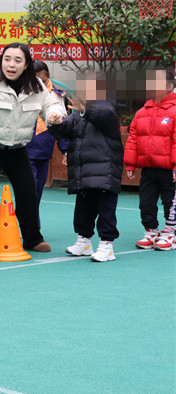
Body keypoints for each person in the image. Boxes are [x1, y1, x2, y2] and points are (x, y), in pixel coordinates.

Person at [0, 42, 64, 262]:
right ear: (1, 62)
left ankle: (32, 238)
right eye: (7, 59)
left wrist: (54, 115)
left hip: (17, 148)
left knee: (28, 192)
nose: (11, 65)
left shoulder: (36, 86)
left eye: (17, 60)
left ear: (26, 65)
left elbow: (52, 104)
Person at [48, 71, 124, 262]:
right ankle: (84, 241)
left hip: (105, 171)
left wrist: (85, 109)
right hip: (84, 171)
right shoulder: (79, 113)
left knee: (106, 209)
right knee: (83, 208)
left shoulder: (108, 107)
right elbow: (66, 129)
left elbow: (103, 116)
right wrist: (56, 123)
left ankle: (107, 245)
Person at [124, 69, 176, 250]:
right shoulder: (142, 112)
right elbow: (133, 138)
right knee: (146, 202)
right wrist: (130, 163)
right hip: (148, 168)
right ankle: (151, 231)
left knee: (171, 202)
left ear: (169, 86)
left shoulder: (174, 110)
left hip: (169, 170)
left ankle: (171, 233)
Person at [27, 60, 69, 204]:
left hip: (44, 148)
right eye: (35, 79)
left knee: (38, 188)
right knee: (29, 187)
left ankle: (33, 216)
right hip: (25, 146)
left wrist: (64, 149)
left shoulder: (56, 95)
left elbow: (62, 124)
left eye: (43, 80)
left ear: (48, 75)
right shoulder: (24, 91)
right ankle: (28, 216)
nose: (39, 83)